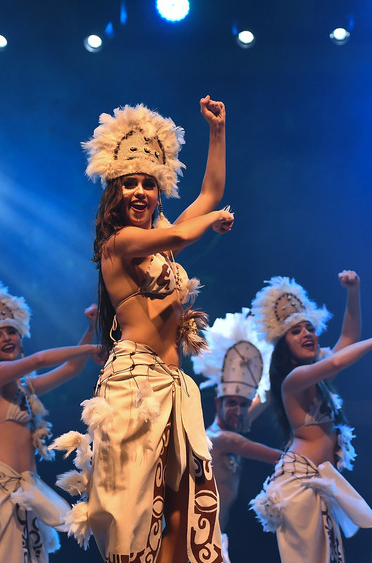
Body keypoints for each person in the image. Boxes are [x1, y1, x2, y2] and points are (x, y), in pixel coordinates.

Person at [50, 97, 233, 563]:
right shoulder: (119, 244)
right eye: (128, 184)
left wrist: (216, 132)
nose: (138, 192)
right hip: (134, 387)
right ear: (114, 194)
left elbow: (210, 194)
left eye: (148, 185)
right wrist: (209, 223)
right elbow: (179, 233)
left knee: (180, 515)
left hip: (173, 388)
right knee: (136, 520)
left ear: (157, 192)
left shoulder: (162, 253)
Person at [0, 283, 101, 562]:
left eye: (11, 331)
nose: (6, 338)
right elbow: (39, 358)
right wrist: (91, 347)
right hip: (1, 488)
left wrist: (90, 329)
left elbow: (71, 368)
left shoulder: (24, 385)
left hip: (29, 488)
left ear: (20, 335)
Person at [249, 274, 372, 563]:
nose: (307, 334)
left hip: (314, 481)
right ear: (284, 347)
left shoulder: (317, 374)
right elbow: (339, 359)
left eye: (310, 328)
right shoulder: (294, 380)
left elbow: (348, 338)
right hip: (297, 485)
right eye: (296, 331)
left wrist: (354, 291)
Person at [191, 309, 283, 563]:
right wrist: (300, 458)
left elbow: (267, 394)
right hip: (195, 539)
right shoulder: (217, 438)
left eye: (243, 404)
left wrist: (278, 345)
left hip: (217, 538)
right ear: (218, 402)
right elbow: (249, 448)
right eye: (232, 403)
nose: (239, 410)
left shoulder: (235, 426)